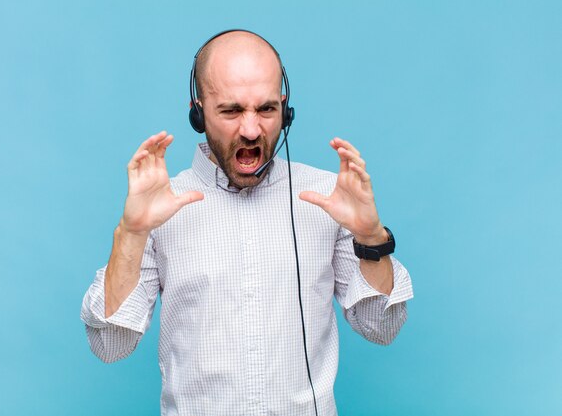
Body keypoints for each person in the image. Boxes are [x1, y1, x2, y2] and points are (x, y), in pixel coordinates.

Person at [81, 30, 413, 416]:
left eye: (267, 110)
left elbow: (382, 327)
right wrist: (132, 234)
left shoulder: (329, 197)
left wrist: (370, 237)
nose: (252, 130)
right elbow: (110, 345)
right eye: (232, 111)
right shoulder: (161, 208)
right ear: (198, 111)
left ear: (285, 109)